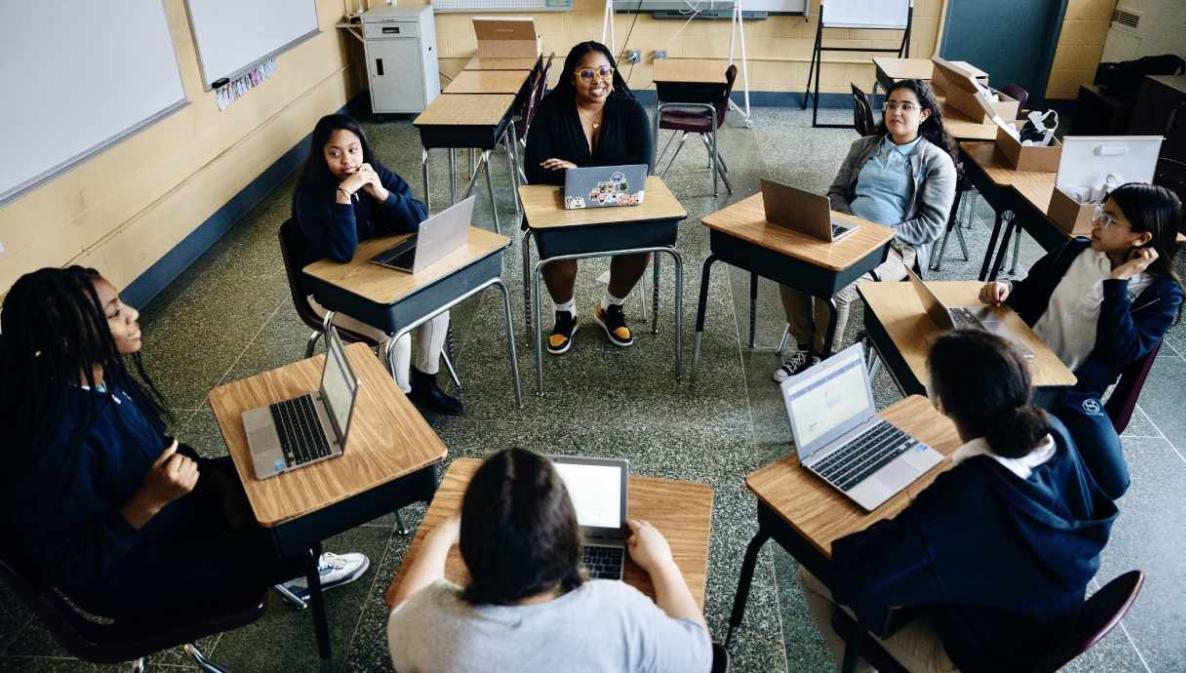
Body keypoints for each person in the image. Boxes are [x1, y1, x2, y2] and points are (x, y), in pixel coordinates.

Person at [0, 267, 368, 619]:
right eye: (114, 314)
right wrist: (149, 501)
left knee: (291, 477)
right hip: (131, 573)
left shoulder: (102, 373)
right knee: (291, 529)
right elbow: (72, 567)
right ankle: (299, 569)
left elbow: (157, 450)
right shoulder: (54, 437)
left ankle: (291, 556)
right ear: (67, 340)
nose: (134, 313)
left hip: (168, 512)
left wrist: (215, 480)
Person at [801, 330, 1116, 673]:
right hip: (1044, 620)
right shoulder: (1053, 431)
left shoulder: (967, 494)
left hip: (985, 656)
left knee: (812, 574)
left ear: (940, 404)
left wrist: (909, 520)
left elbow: (862, 579)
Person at [386, 448, 712, 673]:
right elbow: (699, 655)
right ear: (570, 544)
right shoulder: (618, 613)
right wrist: (662, 563)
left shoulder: (431, 623)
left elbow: (404, 608)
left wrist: (440, 535)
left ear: (472, 551)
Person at [978, 183, 1185, 498]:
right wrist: (1005, 287)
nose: (1096, 222)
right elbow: (1029, 289)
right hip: (1019, 359)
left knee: (1114, 480)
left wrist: (1117, 284)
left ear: (1142, 239)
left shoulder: (1161, 295)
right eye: (1101, 212)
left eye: (1110, 219)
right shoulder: (1078, 250)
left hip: (1070, 391)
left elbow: (1123, 350)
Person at [774, 79, 957, 382]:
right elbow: (836, 193)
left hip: (893, 250)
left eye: (906, 107)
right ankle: (804, 349)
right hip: (846, 234)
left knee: (836, 289)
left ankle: (822, 358)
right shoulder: (864, 147)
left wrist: (878, 235)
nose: (896, 112)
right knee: (789, 267)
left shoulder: (937, 162)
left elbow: (932, 225)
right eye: (891, 105)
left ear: (924, 114)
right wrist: (851, 226)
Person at [293, 113, 461, 414]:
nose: (347, 160)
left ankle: (427, 382)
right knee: (395, 333)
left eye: (353, 149)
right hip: (327, 292)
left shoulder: (376, 173)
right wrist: (344, 195)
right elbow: (342, 253)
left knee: (437, 308)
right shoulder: (310, 196)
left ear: (363, 148)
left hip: (374, 278)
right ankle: (400, 404)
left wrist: (382, 195)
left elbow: (419, 218)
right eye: (334, 153)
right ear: (321, 156)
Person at [524, 41, 654, 354]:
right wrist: (606, 175)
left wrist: (576, 170)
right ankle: (565, 313)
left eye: (605, 71)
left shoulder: (630, 109)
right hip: (564, 203)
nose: (598, 79)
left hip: (617, 205)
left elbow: (642, 168)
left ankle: (611, 308)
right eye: (587, 73)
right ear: (571, 77)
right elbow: (535, 170)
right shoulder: (552, 111)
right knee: (554, 246)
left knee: (641, 244)